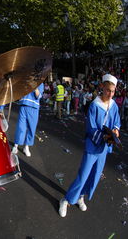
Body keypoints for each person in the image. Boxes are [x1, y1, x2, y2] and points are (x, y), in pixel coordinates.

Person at [59, 74, 121, 217]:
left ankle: (80, 196)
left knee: (95, 177)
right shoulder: (94, 105)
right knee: (83, 175)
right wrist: (104, 136)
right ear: (102, 88)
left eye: (112, 91)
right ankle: (66, 199)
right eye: (107, 90)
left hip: (104, 148)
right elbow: (90, 128)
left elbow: (117, 121)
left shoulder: (114, 106)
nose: (110, 94)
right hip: (93, 146)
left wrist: (116, 130)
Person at [11, 83, 44, 157]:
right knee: (20, 127)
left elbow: (38, 96)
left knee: (31, 128)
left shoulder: (40, 83)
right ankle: (16, 146)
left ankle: (26, 147)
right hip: (23, 105)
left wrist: (35, 86)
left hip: (34, 107)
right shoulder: (25, 80)